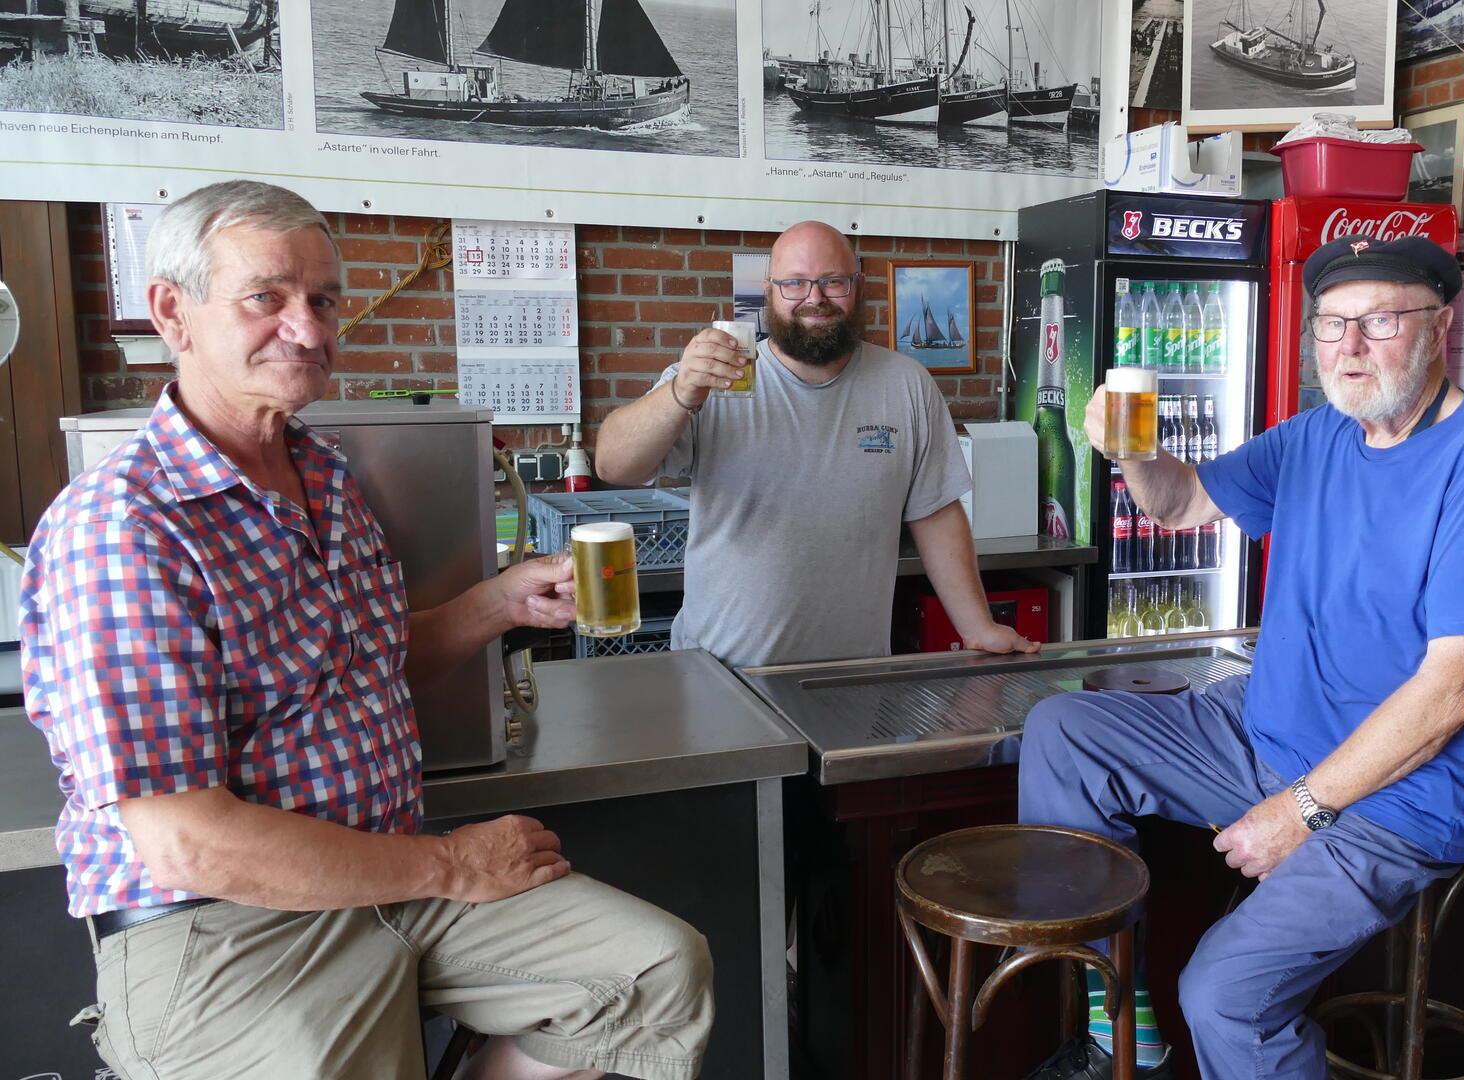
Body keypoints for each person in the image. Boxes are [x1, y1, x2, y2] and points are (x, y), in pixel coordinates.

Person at [21, 180, 712, 1080]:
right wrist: (453, 866)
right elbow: (186, 840)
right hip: (225, 922)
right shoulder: (124, 528)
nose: (307, 329)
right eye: (265, 297)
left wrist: (501, 604)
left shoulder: (324, 475)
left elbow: (363, 664)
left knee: (657, 971)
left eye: (323, 298)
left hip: (394, 877)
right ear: (173, 313)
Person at [1018, 235, 1464, 1079]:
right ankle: (1120, 1025)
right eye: (1331, 324)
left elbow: (1456, 686)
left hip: (1396, 795)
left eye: (1378, 321)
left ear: (1439, 325)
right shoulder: (1314, 436)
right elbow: (1181, 503)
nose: (1348, 347)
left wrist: (1296, 811)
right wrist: (1131, 451)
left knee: (1227, 995)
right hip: (1269, 736)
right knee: (1064, 730)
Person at [595, 219, 1037, 667]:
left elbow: (936, 512)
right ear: (769, 290)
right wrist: (679, 394)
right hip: (720, 675)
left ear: (858, 285)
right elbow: (614, 466)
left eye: (833, 282)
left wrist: (977, 627)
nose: (815, 298)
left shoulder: (906, 384)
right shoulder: (715, 378)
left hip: (851, 675)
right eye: (795, 283)